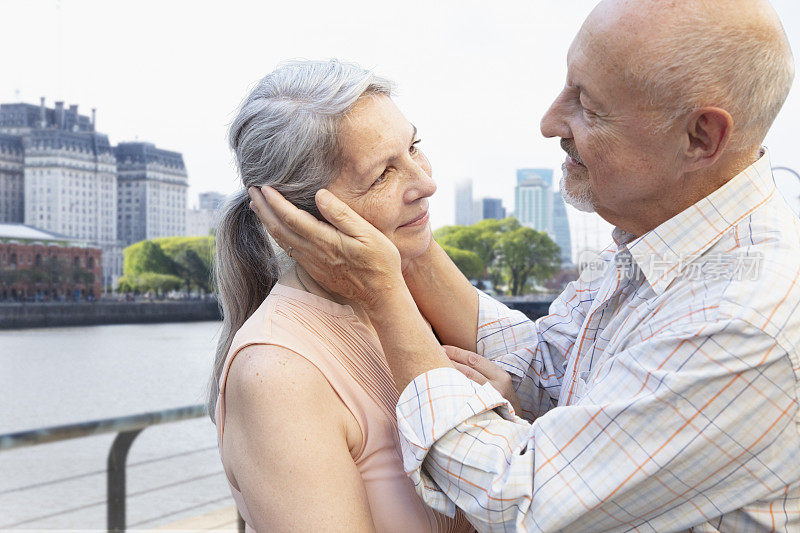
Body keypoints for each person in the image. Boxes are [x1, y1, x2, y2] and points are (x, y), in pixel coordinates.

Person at [248, 0, 800, 530]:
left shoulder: (745, 319)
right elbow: (555, 362)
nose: (549, 120)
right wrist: (408, 249)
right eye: (382, 172)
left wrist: (385, 291)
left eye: (589, 106)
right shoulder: (666, 243)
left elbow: (519, 498)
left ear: (701, 136)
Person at [209, 59, 474, 532]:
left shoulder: (408, 300)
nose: (426, 183)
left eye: (415, 147)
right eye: (382, 175)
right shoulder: (279, 374)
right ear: (297, 217)